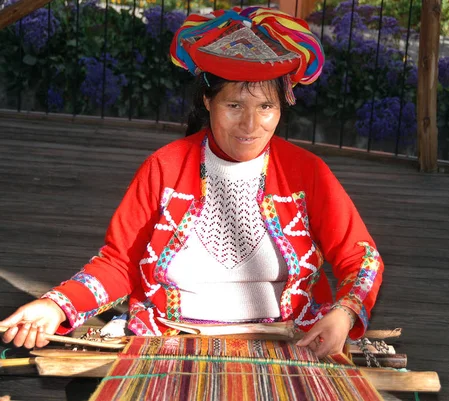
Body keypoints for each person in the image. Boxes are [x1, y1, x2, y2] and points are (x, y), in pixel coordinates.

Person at [1, 6, 383, 358]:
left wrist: (345, 313)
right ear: (206, 101)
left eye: (266, 107)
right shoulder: (165, 168)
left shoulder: (307, 172)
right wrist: (55, 305)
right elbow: (120, 263)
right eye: (234, 106)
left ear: (283, 105)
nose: (251, 126)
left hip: (288, 345)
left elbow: (361, 258)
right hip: (169, 344)